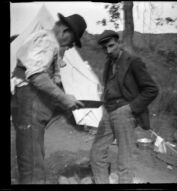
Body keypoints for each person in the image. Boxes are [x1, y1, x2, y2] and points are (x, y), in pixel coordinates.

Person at [11, 13, 87, 184]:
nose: (71, 46)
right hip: (30, 105)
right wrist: (64, 98)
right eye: (73, 42)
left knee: (31, 158)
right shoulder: (48, 40)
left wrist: (62, 99)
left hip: (29, 104)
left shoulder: (44, 39)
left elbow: (41, 75)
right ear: (66, 31)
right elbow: (37, 75)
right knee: (33, 167)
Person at [90, 30, 159, 184]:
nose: (108, 51)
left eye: (111, 46)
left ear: (119, 43)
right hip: (108, 112)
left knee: (124, 161)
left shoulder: (133, 61)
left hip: (125, 112)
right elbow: (110, 86)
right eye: (105, 48)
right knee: (96, 154)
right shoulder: (108, 63)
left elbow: (152, 89)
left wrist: (130, 108)